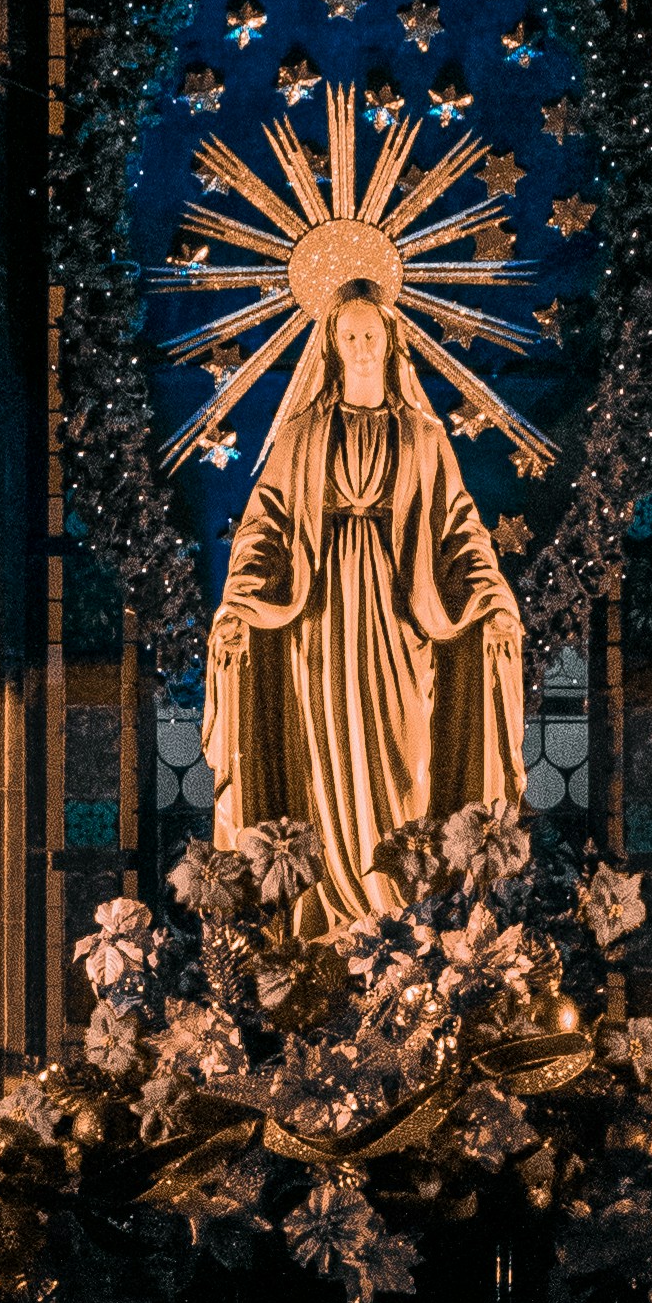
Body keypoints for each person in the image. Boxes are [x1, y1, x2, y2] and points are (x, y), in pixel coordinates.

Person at [202, 277, 526, 928]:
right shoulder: (299, 435)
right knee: (324, 770)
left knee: (406, 761)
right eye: (346, 334)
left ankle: (401, 916)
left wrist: (492, 603)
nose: (358, 344)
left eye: (368, 333)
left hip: (402, 621)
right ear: (329, 344)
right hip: (320, 622)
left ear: (388, 341)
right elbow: (264, 526)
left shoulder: (423, 435)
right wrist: (237, 605)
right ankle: (330, 917)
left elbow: (458, 527)